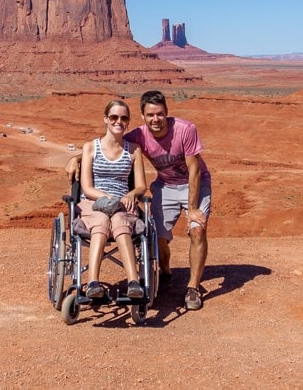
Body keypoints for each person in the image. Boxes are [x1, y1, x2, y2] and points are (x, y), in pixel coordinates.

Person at [68, 90, 211, 310]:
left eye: (160, 114)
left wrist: (192, 209)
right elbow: (111, 144)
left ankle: (192, 288)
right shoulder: (138, 136)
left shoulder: (185, 130)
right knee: (160, 237)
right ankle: (164, 272)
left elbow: (194, 172)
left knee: (197, 229)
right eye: (151, 115)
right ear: (143, 116)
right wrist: (76, 158)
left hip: (194, 184)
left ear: (167, 113)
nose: (156, 119)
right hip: (164, 186)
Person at [77, 99, 147, 300]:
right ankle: (92, 283)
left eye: (124, 118)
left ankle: (134, 282)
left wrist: (131, 194)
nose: (119, 121)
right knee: (101, 220)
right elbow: (87, 187)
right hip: (93, 202)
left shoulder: (133, 150)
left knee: (119, 221)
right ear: (106, 119)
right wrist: (107, 197)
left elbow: (141, 185)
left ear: (128, 121)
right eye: (114, 117)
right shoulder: (91, 148)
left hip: (123, 204)